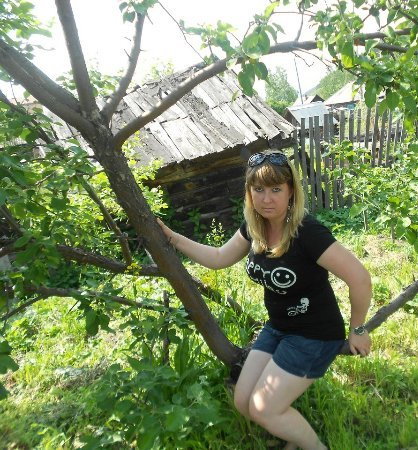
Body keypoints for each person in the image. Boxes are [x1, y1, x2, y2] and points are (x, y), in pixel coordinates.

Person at [158, 150, 372, 450]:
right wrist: (171, 237)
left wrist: (358, 329)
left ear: (291, 191)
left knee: (263, 409)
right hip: (279, 328)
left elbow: (360, 278)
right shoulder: (255, 228)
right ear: (249, 192)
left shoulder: (307, 232)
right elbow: (218, 258)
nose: (266, 199)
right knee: (243, 401)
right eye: (258, 189)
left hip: (315, 334)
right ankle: (292, 436)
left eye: (275, 189)